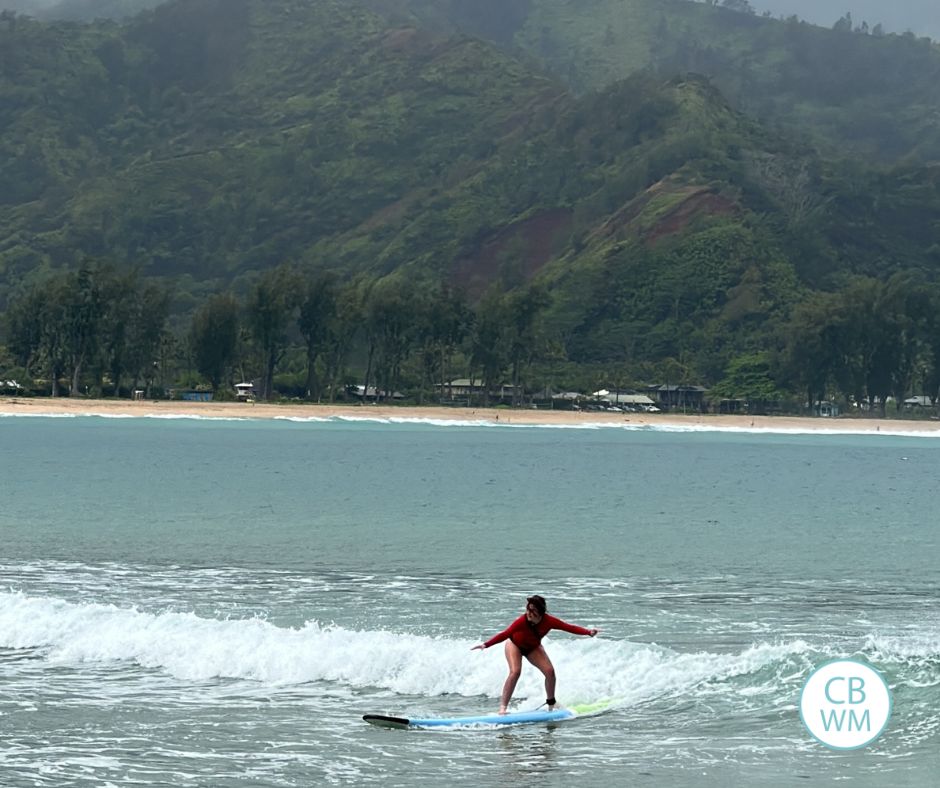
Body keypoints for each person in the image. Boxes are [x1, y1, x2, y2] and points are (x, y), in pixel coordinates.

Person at [472, 595, 598, 714]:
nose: (528, 614)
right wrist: (486, 644)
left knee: (550, 672)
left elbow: (568, 627)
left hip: (533, 647)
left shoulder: (549, 621)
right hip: (514, 645)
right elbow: (505, 634)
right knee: (515, 672)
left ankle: (551, 703)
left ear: (540, 613)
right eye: (527, 610)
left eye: (532, 612)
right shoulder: (521, 621)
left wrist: (588, 632)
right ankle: (503, 708)